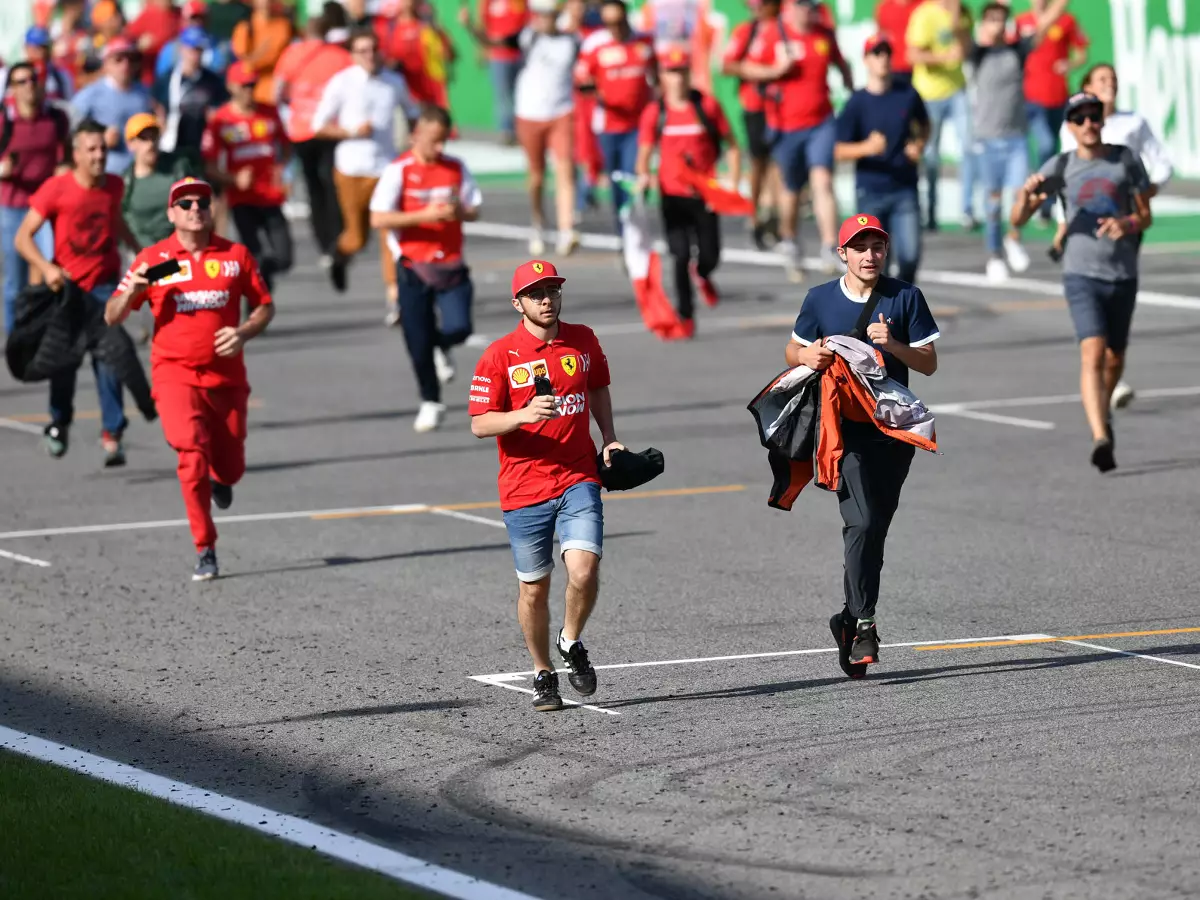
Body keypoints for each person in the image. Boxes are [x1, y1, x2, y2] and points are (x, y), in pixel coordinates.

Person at [785, 213, 939, 676]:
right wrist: (807, 354)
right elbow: (793, 350)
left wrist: (894, 346)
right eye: (860, 247)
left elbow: (928, 364)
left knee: (875, 530)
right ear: (843, 254)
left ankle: (847, 618)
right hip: (842, 429)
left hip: (892, 431)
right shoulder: (820, 300)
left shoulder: (905, 297)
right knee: (862, 521)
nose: (870, 255)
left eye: (877, 246)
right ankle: (866, 625)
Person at [469, 259, 624, 712]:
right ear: (517, 302)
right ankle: (541, 671)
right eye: (535, 293)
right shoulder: (500, 355)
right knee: (534, 589)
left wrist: (609, 438)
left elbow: (597, 387)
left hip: (578, 475)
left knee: (584, 570)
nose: (546, 299)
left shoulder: (583, 338)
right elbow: (480, 424)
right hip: (523, 488)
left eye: (552, 290)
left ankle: (571, 640)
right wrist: (520, 416)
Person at [105, 177, 274, 581]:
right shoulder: (157, 260)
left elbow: (264, 306)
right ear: (171, 213)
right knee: (191, 454)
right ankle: (205, 546)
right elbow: (112, 316)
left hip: (227, 379)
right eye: (184, 203)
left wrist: (244, 332)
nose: (194, 208)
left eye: (201, 201)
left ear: (212, 208)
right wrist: (132, 294)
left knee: (231, 468)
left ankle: (223, 478)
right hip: (175, 373)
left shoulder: (235, 255)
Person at [1011, 92, 1152, 474]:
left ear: (1102, 120)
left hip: (1123, 273)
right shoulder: (1061, 165)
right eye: (1079, 118)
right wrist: (1025, 196)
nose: (1089, 123)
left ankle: (1102, 410)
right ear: (1070, 126)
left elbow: (1146, 215)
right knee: (1093, 352)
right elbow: (1018, 219)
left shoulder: (1124, 159)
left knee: (1115, 357)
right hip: (1080, 274)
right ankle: (1100, 437)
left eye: (1094, 116)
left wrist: (1128, 224)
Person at [14, 119, 141, 465]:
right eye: (92, 149)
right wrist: (48, 268)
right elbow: (22, 238)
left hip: (105, 289)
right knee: (63, 364)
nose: (100, 155)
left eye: (103, 148)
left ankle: (112, 433)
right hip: (68, 292)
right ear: (77, 154)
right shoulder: (56, 189)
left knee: (111, 358)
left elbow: (114, 220)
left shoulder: (114, 185)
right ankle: (60, 422)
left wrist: (138, 248)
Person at [1057, 62, 1172, 414]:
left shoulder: (1133, 123)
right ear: (1087, 86)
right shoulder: (1073, 124)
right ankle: (1108, 378)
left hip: (1125, 226)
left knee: (1116, 295)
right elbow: (1066, 179)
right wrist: (1064, 224)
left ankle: (1112, 367)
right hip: (1085, 226)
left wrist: (1142, 199)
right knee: (1091, 301)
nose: (1110, 85)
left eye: (1114, 80)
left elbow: (1162, 164)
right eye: (1102, 80)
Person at [369, 105, 482, 433]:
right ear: (417, 135)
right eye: (433, 141)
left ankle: (443, 344)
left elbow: (474, 209)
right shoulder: (399, 170)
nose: (439, 148)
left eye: (443, 141)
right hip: (413, 267)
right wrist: (425, 215)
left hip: (450, 264)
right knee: (416, 340)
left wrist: (460, 211)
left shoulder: (456, 167)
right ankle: (431, 400)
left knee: (461, 327)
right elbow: (379, 217)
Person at [740, 0, 852, 282]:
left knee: (823, 181)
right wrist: (775, 70)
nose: (809, 11)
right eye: (803, 6)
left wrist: (851, 87)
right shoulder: (773, 33)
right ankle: (789, 239)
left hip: (821, 121)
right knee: (791, 188)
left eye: (813, 6)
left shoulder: (823, 34)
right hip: (786, 124)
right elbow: (746, 68)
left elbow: (841, 62)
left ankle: (830, 246)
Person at [634, 45, 738, 337]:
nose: (677, 78)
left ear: (689, 73)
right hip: (672, 196)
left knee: (710, 254)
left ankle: (703, 274)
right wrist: (643, 176)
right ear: (662, 76)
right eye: (671, 72)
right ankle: (685, 313)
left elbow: (731, 145)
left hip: (705, 195)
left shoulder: (706, 106)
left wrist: (731, 180)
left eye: (681, 71)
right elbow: (643, 153)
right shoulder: (656, 112)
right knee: (679, 254)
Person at [967, 0, 1069, 284]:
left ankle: (1012, 238)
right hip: (987, 140)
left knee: (1021, 195)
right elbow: (956, 27)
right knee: (993, 203)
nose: (997, 25)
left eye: (1001, 19)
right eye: (992, 20)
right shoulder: (977, 53)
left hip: (1016, 138)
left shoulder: (1018, 50)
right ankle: (994, 255)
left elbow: (1047, 21)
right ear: (984, 24)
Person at [312, 27, 419, 295]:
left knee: (391, 235)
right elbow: (318, 126)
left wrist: (414, 141)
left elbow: (413, 113)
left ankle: (395, 296)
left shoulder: (393, 81)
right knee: (357, 239)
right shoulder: (342, 82)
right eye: (362, 51)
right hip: (351, 169)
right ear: (352, 54)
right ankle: (339, 255)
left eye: (373, 49)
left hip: (386, 169)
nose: (370, 56)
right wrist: (351, 131)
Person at [834, 33, 928, 284]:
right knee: (875, 262)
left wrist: (918, 145)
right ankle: (881, 313)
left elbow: (925, 124)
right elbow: (838, 149)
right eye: (877, 53)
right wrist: (866, 148)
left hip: (904, 187)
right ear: (866, 60)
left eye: (887, 53)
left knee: (909, 256)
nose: (883, 59)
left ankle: (903, 302)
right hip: (871, 190)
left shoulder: (906, 93)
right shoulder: (857, 102)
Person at [202, 61, 293, 291]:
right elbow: (210, 166)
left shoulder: (269, 113)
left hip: (270, 196)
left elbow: (286, 146)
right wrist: (234, 179)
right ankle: (256, 304)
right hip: (242, 199)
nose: (249, 91)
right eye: (244, 86)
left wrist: (283, 170)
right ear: (231, 86)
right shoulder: (221, 120)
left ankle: (261, 275)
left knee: (284, 258)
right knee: (256, 253)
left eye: (252, 85)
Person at [274, 12, 351, 268]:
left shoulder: (291, 54)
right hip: (330, 130)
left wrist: (294, 107)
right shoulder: (340, 56)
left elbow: (278, 91)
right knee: (332, 184)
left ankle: (325, 243)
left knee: (313, 187)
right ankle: (338, 239)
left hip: (300, 130)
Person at [575, 0, 656, 236]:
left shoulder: (644, 42)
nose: (615, 28)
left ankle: (636, 230)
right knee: (617, 183)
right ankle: (624, 234)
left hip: (639, 125)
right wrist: (598, 91)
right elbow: (581, 80)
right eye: (609, 23)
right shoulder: (595, 45)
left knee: (635, 178)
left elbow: (657, 77)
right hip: (609, 125)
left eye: (619, 22)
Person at [1, 63, 70, 333]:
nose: (29, 85)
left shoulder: (54, 119)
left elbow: (66, 151)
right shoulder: (5, 121)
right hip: (13, 207)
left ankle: (50, 331)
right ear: (12, 89)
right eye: (21, 81)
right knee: (15, 280)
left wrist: (64, 168)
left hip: (47, 209)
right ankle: (15, 335)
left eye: (32, 79)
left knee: (52, 269)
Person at [512, 0, 582, 257]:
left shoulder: (571, 42)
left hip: (561, 113)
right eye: (540, 15)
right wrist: (472, 27)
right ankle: (538, 223)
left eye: (549, 15)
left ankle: (566, 230)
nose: (544, 20)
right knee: (536, 177)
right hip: (529, 114)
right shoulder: (527, 38)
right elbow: (493, 44)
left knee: (564, 170)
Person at [906, 0, 975, 232]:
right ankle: (931, 211)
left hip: (957, 90)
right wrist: (943, 58)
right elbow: (913, 54)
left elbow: (966, 50)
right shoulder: (924, 14)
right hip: (929, 93)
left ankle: (967, 210)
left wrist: (956, 22)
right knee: (931, 155)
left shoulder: (964, 13)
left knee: (968, 147)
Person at [721, 0, 785, 251]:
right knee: (759, 161)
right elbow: (727, 65)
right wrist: (765, 72)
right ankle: (755, 214)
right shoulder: (747, 31)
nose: (756, 8)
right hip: (756, 105)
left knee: (782, 162)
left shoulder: (785, 28)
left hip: (785, 108)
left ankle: (777, 214)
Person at [1016, 0, 1087, 225]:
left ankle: (1049, 203)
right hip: (1031, 97)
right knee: (1045, 144)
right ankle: (1037, 199)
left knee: (1057, 148)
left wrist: (1071, 63)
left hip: (1058, 95)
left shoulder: (1066, 20)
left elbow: (1081, 52)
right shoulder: (1022, 22)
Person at [70, 38, 155, 176]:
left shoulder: (145, 94)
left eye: (130, 59)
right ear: (106, 64)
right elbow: (72, 131)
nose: (125, 65)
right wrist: (100, 138)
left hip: (140, 173)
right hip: (108, 172)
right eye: (118, 59)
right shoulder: (90, 95)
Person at [152, 26, 229, 172]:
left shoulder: (212, 81)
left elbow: (221, 109)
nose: (195, 55)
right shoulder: (167, 79)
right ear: (182, 49)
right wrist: (160, 121)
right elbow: (156, 105)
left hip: (202, 149)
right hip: (172, 145)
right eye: (192, 49)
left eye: (199, 50)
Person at [458, 0, 529, 145]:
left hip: (520, 53)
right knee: (503, 96)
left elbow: (527, 22)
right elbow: (483, 24)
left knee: (522, 94)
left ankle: (523, 132)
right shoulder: (487, 2)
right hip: (499, 55)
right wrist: (481, 49)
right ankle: (507, 133)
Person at [230, 0, 296, 106]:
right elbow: (244, 66)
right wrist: (259, 54)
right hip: (254, 95)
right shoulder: (246, 27)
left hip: (281, 94)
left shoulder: (285, 26)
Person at [156, 2, 235, 79]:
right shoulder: (172, 48)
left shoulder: (223, 46)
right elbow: (163, 78)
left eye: (201, 18)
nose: (198, 23)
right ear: (184, 21)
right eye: (193, 19)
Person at [126, 0, 183, 88]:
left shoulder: (180, 14)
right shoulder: (147, 15)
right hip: (151, 77)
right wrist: (139, 45)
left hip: (175, 76)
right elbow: (126, 41)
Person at [874, 0, 919, 89]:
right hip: (895, 70)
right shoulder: (884, 7)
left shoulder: (923, 5)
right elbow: (880, 37)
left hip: (922, 69)